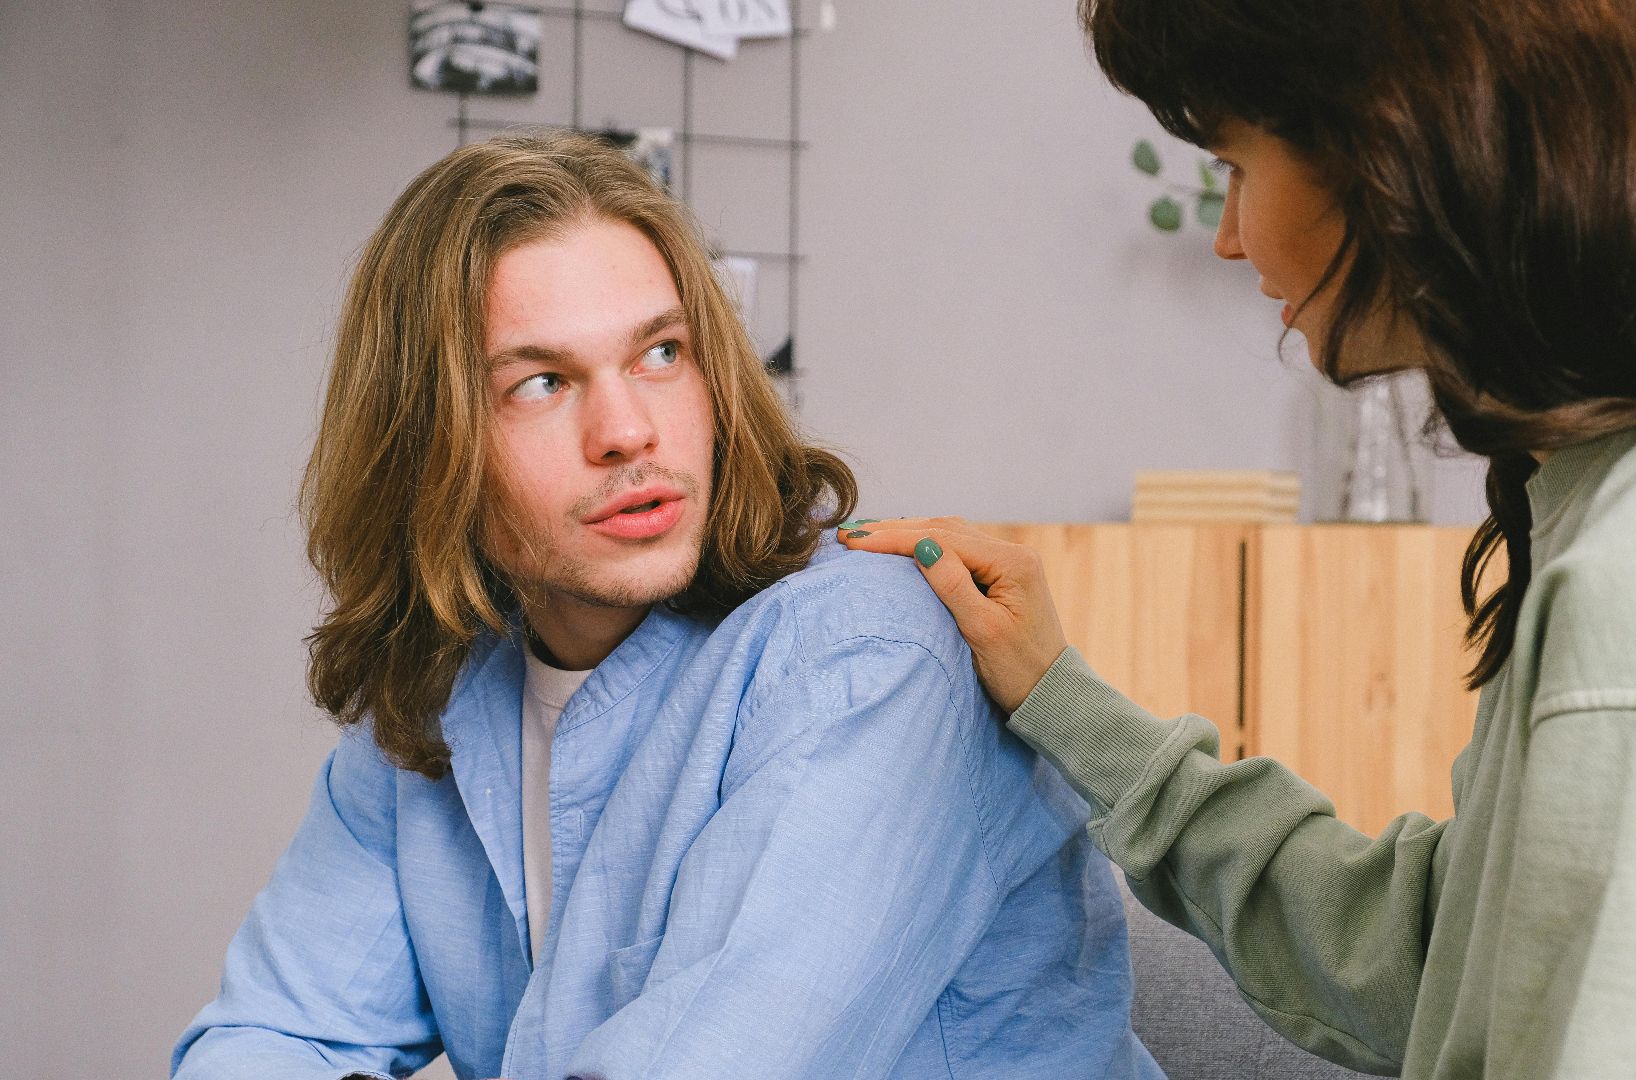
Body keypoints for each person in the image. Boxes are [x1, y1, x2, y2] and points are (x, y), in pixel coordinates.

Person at [843, 0, 1636, 1076]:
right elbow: (1430, 965)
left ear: (1393, 150)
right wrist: (1063, 700)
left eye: (1234, 165)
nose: (1227, 235)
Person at [171, 131, 1162, 1080]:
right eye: (542, 382)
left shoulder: (872, 653)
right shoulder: (433, 713)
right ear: (431, 444)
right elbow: (263, 1041)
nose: (627, 430)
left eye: (660, 355)